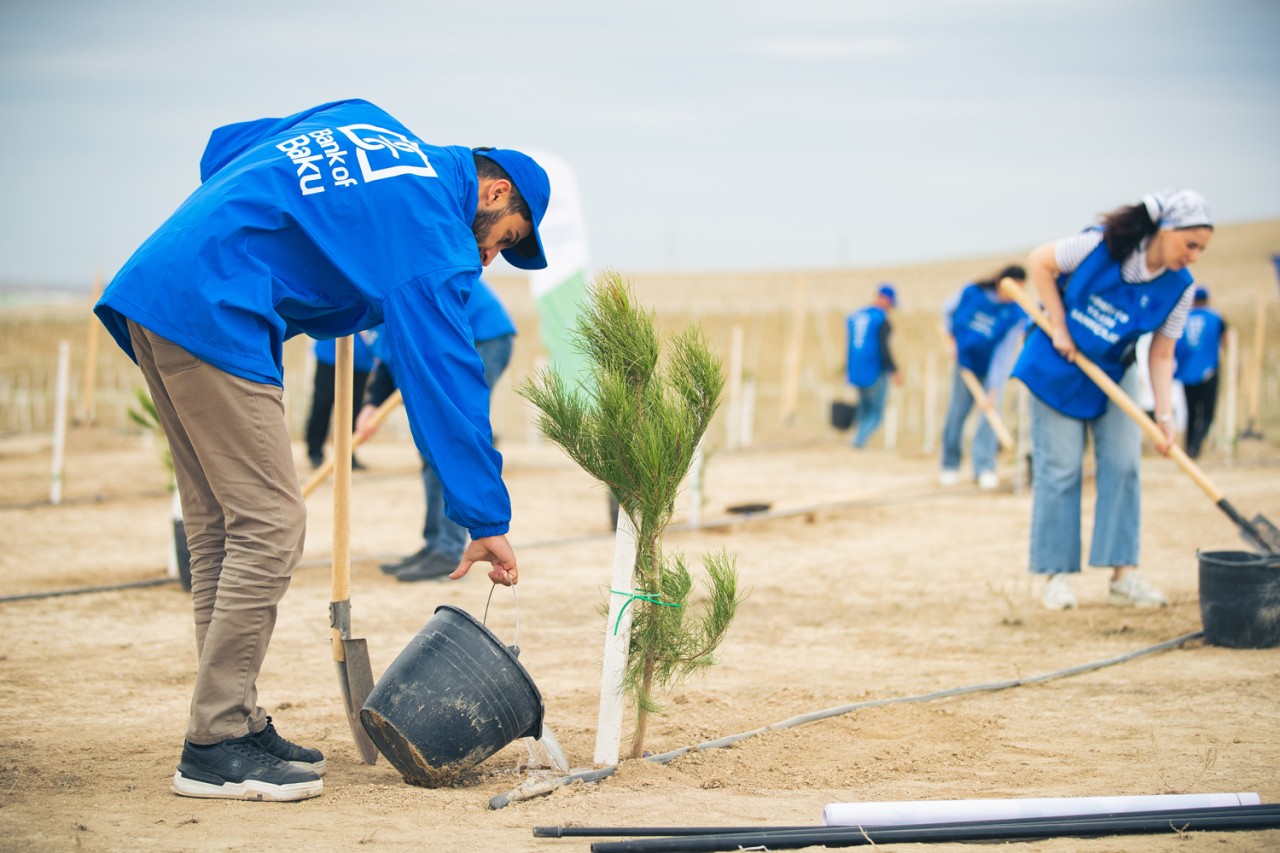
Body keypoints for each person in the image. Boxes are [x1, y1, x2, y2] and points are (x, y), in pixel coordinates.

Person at [93, 99, 549, 802]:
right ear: (492, 193)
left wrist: (316, 241)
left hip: (160, 286)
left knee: (223, 526)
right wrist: (484, 517)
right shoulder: (433, 225)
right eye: (503, 239)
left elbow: (230, 147)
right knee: (272, 523)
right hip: (218, 305)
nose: (490, 259)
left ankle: (232, 716)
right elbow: (446, 376)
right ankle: (214, 741)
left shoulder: (373, 126)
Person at [1012, 189, 1212, 611]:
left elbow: (1161, 354)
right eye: (1189, 244)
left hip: (1115, 371)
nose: (1193, 256)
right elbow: (1039, 262)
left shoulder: (1180, 288)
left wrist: (1165, 415)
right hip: (1056, 364)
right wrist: (1060, 326)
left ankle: (1123, 574)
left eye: (1201, 249)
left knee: (1124, 464)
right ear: (1165, 229)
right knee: (1061, 469)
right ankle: (1056, 575)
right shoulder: (1100, 246)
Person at [362, 279, 517, 581]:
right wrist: (372, 403)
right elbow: (389, 352)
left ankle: (447, 549)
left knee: (449, 439)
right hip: (461, 335)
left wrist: (374, 401)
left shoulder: (379, 278)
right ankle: (435, 544)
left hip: (483, 336)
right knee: (433, 445)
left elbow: (399, 342)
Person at [938, 265, 1027, 489]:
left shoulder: (1015, 314)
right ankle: (950, 464)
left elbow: (1004, 353)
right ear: (1001, 283)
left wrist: (994, 388)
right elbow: (947, 311)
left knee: (989, 413)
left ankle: (984, 467)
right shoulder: (972, 293)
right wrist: (950, 341)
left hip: (991, 368)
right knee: (957, 413)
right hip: (964, 362)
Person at [303, 333, 375, 469]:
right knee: (322, 402)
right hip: (330, 350)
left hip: (362, 356)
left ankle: (348, 453)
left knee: (354, 408)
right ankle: (315, 451)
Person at [845, 283, 902, 448]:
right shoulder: (881, 319)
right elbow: (884, 349)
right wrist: (894, 370)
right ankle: (859, 441)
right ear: (886, 300)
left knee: (864, 408)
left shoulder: (856, 316)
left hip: (855, 371)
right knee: (876, 413)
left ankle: (857, 438)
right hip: (874, 371)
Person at [1175, 286, 1227, 459]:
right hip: (1209, 371)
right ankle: (1196, 445)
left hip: (1187, 372)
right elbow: (1225, 342)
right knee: (1208, 414)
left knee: (1191, 412)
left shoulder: (1182, 318)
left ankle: (1188, 447)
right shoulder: (1216, 317)